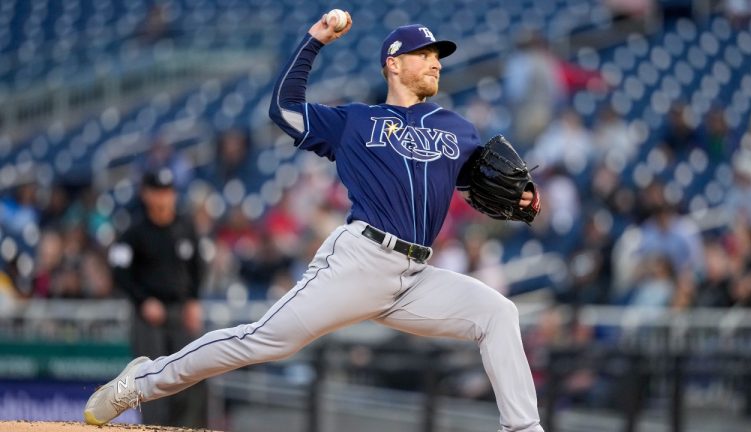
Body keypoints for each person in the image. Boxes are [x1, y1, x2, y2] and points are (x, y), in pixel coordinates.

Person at [85, 13, 543, 432]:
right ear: (393, 65)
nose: (434, 63)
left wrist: (520, 195)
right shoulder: (356, 121)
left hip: (416, 276)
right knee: (262, 341)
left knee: (498, 313)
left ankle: (522, 429)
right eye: (422, 55)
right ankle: (141, 381)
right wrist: (314, 41)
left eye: (437, 56)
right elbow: (284, 109)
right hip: (360, 261)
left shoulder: (457, 127)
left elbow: (480, 182)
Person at [103, 168, 207, 427]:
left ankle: (189, 427)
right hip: (148, 317)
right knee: (151, 379)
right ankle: (154, 428)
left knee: (192, 374)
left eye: (168, 192)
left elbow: (197, 265)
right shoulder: (135, 231)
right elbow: (119, 272)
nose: (163, 198)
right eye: (158, 192)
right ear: (146, 195)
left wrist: (194, 300)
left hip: (181, 312)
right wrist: (142, 301)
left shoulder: (185, 227)